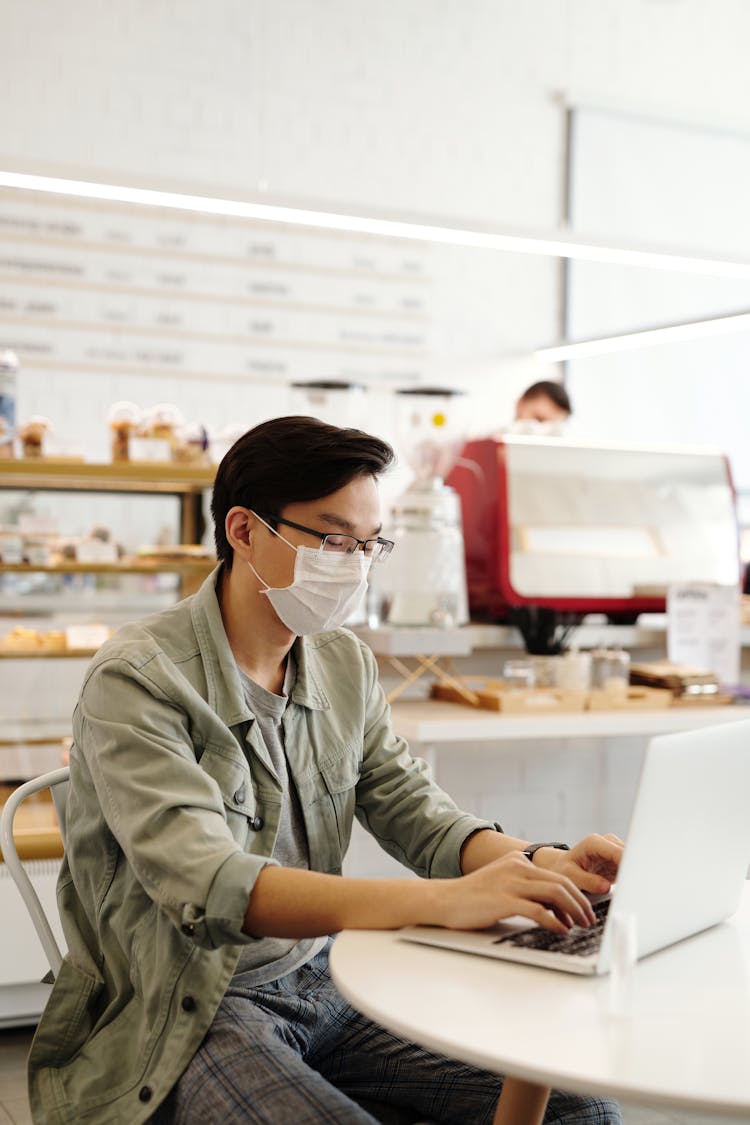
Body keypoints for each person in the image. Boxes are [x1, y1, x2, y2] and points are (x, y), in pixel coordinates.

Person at [28, 415, 624, 1125]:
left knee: (580, 1109)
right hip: (188, 1008)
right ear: (244, 530)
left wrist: (539, 862)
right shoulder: (137, 679)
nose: (356, 563)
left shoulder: (342, 661)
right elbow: (210, 882)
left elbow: (415, 810)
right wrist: (444, 901)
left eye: (370, 544)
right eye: (335, 539)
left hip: (328, 982)